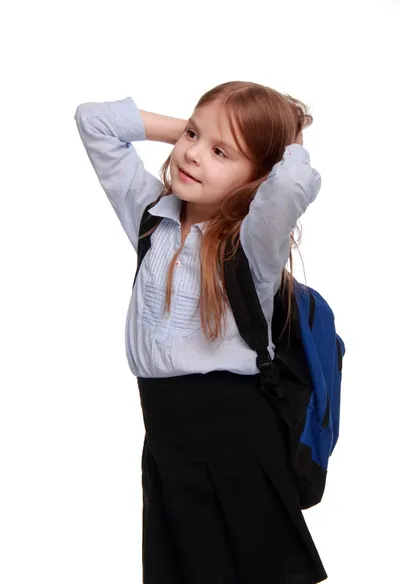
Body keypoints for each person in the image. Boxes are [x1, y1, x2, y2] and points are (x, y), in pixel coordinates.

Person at [74, 81, 327, 584]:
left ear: (259, 176)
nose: (191, 155)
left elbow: (292, 186)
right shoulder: (152, 217)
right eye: (192, 136)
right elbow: (93, 121)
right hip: (167, 437)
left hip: (235, 438)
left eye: (220, 153)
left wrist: (287, 143)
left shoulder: (252, 245)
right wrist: (193, 133)